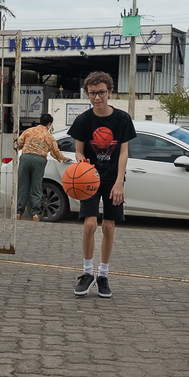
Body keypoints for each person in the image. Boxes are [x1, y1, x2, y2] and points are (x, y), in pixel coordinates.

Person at [67, 71, 136, 298]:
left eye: (102, 93)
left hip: (112, 179)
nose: (97, 97)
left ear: (110, 92)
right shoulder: (84, 120)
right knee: (89, 225)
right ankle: (87, 273)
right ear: (87, 94)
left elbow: (124, 152)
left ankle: (103, 275)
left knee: (108, 226)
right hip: (89, 178)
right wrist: (80, 161)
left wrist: (119, 183)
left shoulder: (122, 119)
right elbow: (78, 150)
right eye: (93, 93)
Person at [13, 113, 71, 221]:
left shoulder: (29, 131)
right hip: (39, 160)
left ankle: (18, 212)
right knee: (36, 187)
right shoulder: (49, 136)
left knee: (23, 186)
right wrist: (63, 158)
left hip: (25, 158)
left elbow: (19, 143)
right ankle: (35, 213)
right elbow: (55, 151)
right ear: (49, 124)